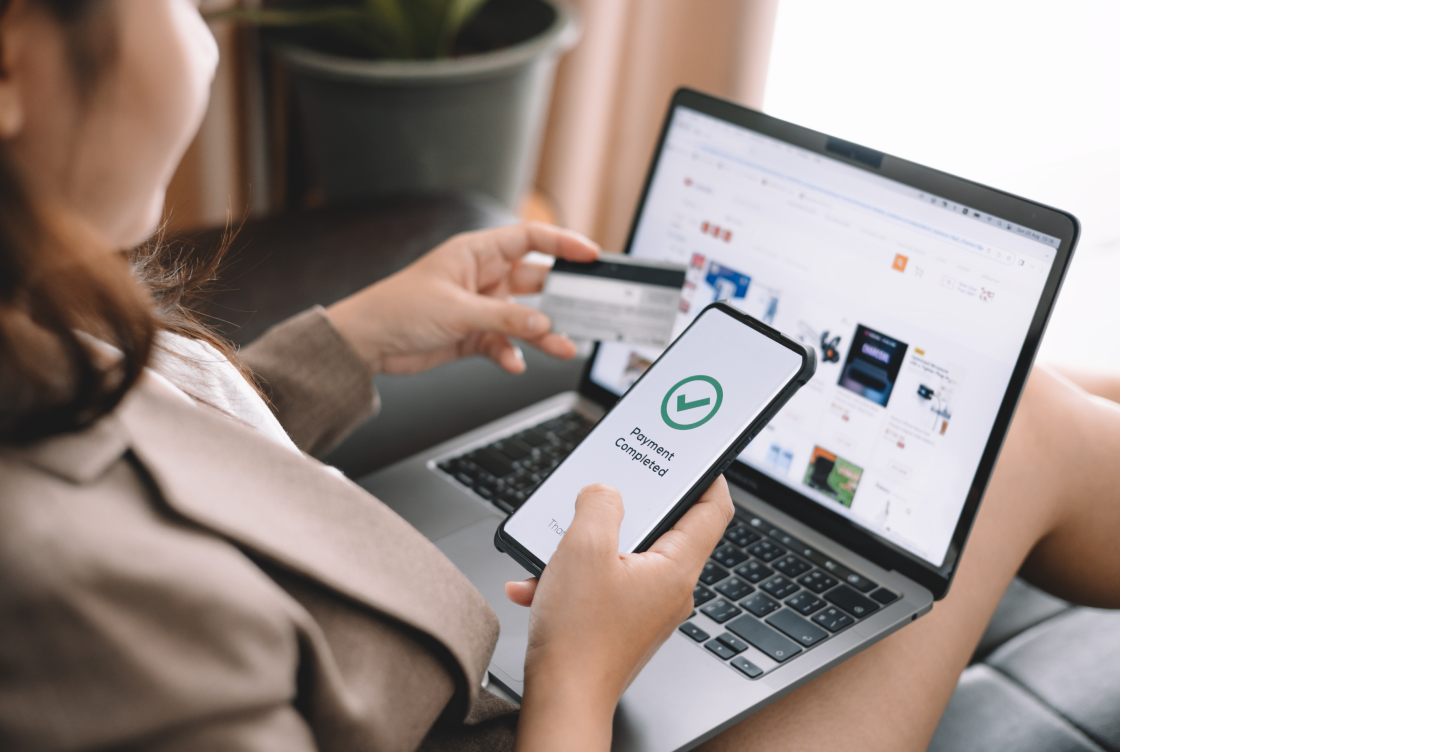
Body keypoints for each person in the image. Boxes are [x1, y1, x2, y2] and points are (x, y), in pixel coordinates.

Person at [0, 1, 1120, 750]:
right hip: (531, 714)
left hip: (450, 645)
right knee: (1020, 423)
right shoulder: (61, 587)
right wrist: (579, 675)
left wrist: (350, 340)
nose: (206, 21)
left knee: (1012, 395)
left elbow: (155, 451)